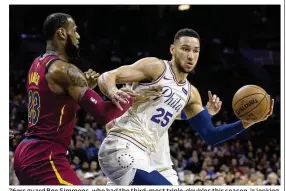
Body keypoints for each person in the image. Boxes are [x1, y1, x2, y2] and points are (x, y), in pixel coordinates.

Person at [97, 28, 274, 185]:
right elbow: (107, 76)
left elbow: (210, 135)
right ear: (172, 50)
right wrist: (113, 91)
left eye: (195, 51)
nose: (191, 55)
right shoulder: (156, 68)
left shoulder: (191, 94)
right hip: (122, 145)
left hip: (145, 155)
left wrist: (246, 123)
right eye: (185, 49)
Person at [13, 13, 159, 185]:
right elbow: (103, 114)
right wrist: (134, 97)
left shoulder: (37, 63)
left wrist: (84, 89)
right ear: (61, 33)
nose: (78, 36)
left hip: (25, 152)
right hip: (45, 156)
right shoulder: (66, 70)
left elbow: (53, 105)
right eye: (74, 31)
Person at [105, 91, 222, 185]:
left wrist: (207, 112)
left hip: (161, 170)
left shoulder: (156, 108)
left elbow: (185, 114)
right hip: (130, 169)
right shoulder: (116, 119)